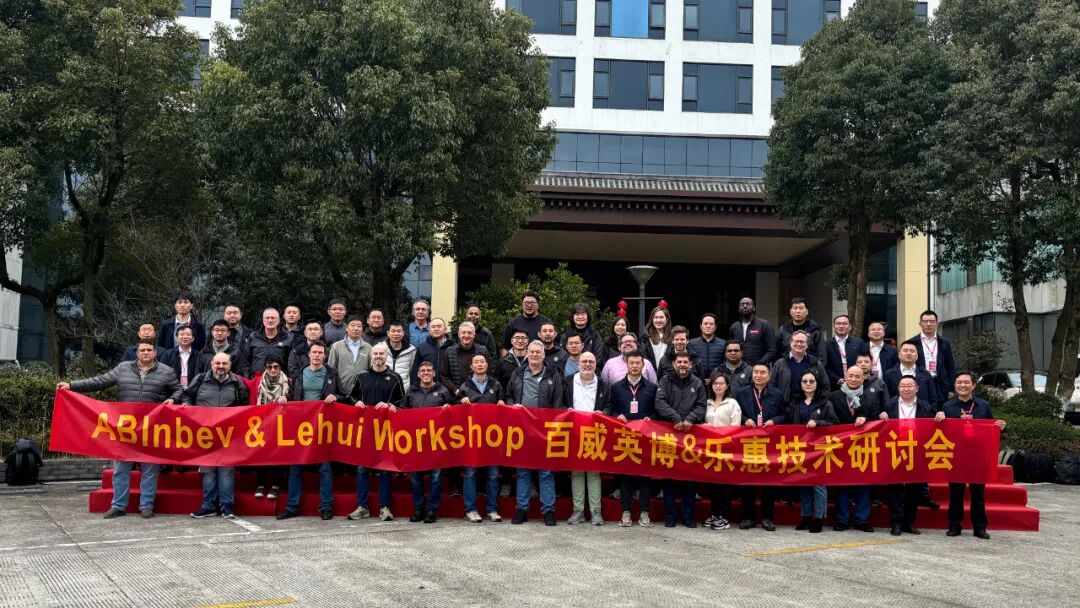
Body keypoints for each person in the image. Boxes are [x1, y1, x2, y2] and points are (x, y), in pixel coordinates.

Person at [57, 341, 181, 519]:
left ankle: (146, 505)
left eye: (149, 350)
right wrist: (72, 385)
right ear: (136, 353)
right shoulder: (123, 368)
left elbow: (178, 390)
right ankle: (118, 505)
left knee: (150, 470)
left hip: (151, 429)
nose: (145, 353)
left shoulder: (167, 371)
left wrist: (173, 399)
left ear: (155, 353)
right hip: (125, 429)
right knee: (121, 469)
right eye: (142, 350)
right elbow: (100, 381)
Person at [278, 341, 340, 520]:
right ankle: (292, 507)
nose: (317, 355)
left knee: (325, 468)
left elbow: (342, 394)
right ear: (309, 355)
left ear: (324, 355)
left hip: (322, 426)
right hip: (301, 427)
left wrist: (336, 396)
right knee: (295, 468)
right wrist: (284, 398)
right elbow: (292, 396)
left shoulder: (331, 373)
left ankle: (326, 507)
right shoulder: (299, 374)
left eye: (320, 353)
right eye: (314, 352)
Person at [942, 372, 1006, 539]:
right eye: (959, 382)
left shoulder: (983, 406)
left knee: (978, 495)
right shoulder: (947, 407)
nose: (962, 385)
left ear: (973, 386)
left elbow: (991, 427)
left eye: (966, 382)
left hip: (978, 455)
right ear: (955, 385)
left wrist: (1001, 427)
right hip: (956, 456)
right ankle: (954, 526)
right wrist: (939, 419)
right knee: (955, 494)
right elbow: (941, 432)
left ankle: (980, 528)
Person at [185, 353, 249, 519]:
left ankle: (227, 506)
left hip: (228, 436)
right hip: (205, 435)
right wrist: (186, 404)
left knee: (226, 471)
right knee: (208, 471)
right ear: (212, 364)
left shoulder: (237, 383)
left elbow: (245, 405)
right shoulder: (200, 379)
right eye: (218, 363)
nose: (221, 366)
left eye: (224, 363)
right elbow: (187, 396)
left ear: (230, 366)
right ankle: (208, 506)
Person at [506, 341, 564, 525]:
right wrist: (512, 406)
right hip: (522, 430)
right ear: (527, 354)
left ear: (543, 354)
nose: (534, 355)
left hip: (544, 431)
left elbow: (558, 403)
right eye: (531, 352)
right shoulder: (517, 373)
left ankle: (548, 510)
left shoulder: (553, 375)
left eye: (538, 352)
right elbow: (508, 396)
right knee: (523, 472)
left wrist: (553, 427)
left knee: (545, 472)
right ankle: (522, 509)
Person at [880, 375, 945, 536]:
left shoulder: (926, 407)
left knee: (914, 488)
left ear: (917, 388)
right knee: (895, 488)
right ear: (898, 388)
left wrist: (941, 415)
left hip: (917, 450)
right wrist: (880, 416)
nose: (906, 389)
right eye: (903, 386)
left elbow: (936, 426)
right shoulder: (889, 405)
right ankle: (896, 523)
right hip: (895, 450)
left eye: (910, 386)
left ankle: (908, 523)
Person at [347, 343, 405, 522]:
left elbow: (402, 402)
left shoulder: (395, 378)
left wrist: (390, 405)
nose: (378, 356)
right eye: (376, 353)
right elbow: (350, 397)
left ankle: (384, 507)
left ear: (386, 356)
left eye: (381, 353)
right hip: (364, 430)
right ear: (371, 356)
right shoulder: (361, 376)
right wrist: (356, 402)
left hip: (385, 431)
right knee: (362, 468)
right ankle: (362, 506)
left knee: (384, 469)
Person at [655, 352, 707, 528]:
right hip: (670, 433)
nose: (682, 364)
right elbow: (660, 402)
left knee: (690, 478)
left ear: (690, 364)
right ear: (674, 364)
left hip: (692, 435)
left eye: (685, 362)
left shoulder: (697, 382)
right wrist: (676, 418)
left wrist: (690, 419)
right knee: (669, 477)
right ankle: (670, 515)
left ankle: (688, 515)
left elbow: (702, 405)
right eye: (679, 362)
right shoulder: (665, 381)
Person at [607, 351, 657, 527]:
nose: (635, 366)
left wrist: (651, 418)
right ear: (626, 365)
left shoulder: (651, 387)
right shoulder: (616, 387)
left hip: (644, 438)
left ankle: (644, 512)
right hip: (624, 438)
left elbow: (656, 410)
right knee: (625, 476)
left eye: (638, 363)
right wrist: (617, 416)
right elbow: (611, 409)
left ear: (643, 365)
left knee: (644, 476)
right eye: (631, 363)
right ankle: (626, 512)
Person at [734, 364, 787, 530]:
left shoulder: (777, 394)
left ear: (769, 375)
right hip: (747, 442)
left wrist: (775, 421)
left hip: (768, 444)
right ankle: (748, 517)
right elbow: (735, 413)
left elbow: (785, 414)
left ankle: (767, 517)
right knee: (747, 480)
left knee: (768, 481)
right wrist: (744, 419)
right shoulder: (742, 393)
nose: (758, 375)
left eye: (762, 372)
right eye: (756, 372)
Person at [829, 365, 878, 532]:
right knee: (842, 484)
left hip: (862, 447)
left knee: (863, 484)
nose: (854, 379)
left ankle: (861, 520)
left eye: (858, 376)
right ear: (846, 376)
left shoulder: (870, 397)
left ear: (863, 378)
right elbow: (830, 419)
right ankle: (842, 519)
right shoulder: (833, 396)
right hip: (840, 447)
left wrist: (866, 418)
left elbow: (876, 419)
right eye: (851, 376)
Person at [403, 361, 453, 523]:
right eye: (423, 370)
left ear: (434, 373)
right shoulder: (411, 391)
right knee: (416, 477)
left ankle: (432, 509)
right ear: (418, 374)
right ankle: (419, 508)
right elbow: (402, 413)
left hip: (436, 442)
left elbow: (453, 415)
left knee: (436, 477)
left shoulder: (443, 391)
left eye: (429, 370)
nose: (426, 373)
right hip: (415, 442)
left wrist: (449, 408)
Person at [458, 353, 506, 523]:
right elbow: (456, 414)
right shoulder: (465, 386)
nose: (479, 364)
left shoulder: (496, 384)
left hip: (492, 437)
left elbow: (504, 402)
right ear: (471, 366)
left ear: (487, 365)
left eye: (482, 362)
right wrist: (461, 402)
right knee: (470, 474)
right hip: (472, 438)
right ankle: (470, 509)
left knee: (493, 474)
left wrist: (502, 403)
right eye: (476, 362)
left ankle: (492, 509)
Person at [563, 352, 609, 526]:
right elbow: (560, 403)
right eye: (584, 361)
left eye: (591, 361)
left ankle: (596, 511)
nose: (587, 364)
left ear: (596, 364)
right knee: (576, 471)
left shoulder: (603, 384)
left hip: (595, 432)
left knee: (594, 472)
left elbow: (609, 405)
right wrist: (566, 410)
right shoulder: (568, 382)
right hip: (574, 432)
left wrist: (603, 413)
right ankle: (578, 510)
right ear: (579, 364)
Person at [789, 371, 838, 533]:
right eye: (805, 381)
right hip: (801, 448)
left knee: (819, 484)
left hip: (819, 449)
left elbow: (834, 423)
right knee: (803, 483)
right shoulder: (795, 402)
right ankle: (806, 517)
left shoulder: (825, 403)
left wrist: (818, 423)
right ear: (800, 384)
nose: (808, 384)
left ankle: (818, 518)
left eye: (812, 381)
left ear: (817, 384)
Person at [703, 372, 740, 530]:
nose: (718, 386)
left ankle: (724, 517)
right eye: (715, 383)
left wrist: (718, 431)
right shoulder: (707, 403)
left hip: (726, 449)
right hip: (710, 450)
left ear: (727, 386)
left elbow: (736, 427)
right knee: (712, 484)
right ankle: (715, 514)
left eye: (721, 383)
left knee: (724, 485)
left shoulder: (732, 403)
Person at [253, 352, 289, 500]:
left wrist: (286, 398)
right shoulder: (258, 382)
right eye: (269, 367)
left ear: (280, 367)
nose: (273, 370)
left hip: (280, 424)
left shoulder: (288, 383)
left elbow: (294, 402)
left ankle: (275, 484)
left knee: (277, 453)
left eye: (276, 367)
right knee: (260, 453)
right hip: (261, 423)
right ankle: (260, 484)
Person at [770, 330, 828, 403]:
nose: (799, 344)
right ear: (790, 342)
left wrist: (817, 403)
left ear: (807, 345)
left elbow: (825, 387)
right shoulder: (779, 364)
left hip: (810, 406)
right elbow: (772, 387)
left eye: (802, 342)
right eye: (796, 341)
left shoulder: (816, 363)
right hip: (785, 406)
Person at [911, 310, 956, 404]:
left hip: (941, 384)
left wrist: (951, 389)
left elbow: (950, 366)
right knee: (923, 409)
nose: (928, 324)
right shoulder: (913, 343)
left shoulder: (944, 342)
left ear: (937, 323)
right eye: (925, 321)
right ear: (920, 324)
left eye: (931, 321)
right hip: (921, 383)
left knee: (940, 410)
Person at [440, 321, 490, 400]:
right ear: (459, 334)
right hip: (455, 398)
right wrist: (456, 390)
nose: (466, 335)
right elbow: (444, 376)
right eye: (463, 332)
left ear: (474, 335)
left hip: (478, 398)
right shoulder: (449, 352)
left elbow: (489, 374)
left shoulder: (483, 351)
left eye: (469, 333)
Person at [240, 308, 294, 378]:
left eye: (273, 318)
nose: (270, 320)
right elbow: (246, 360)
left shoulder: (288, 338)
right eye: (267, 318)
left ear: (278, 320)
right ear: (263, 320)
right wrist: (248, 378)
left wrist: (288, 379)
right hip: (257, 379)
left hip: (280, 380)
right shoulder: (253, 337)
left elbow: (292, 363)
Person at [326, 315, 371, 396]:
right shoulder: (336, 346)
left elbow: (371, 370)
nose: (356, 328)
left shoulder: (368, 348)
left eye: (359, 326)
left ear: (362, 329)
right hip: (341, 393)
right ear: (346, 328)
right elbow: (331, 370)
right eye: (353, 325)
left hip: (362, 393)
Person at [883, 341, 939, 405]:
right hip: (897, 410)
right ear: (899, 355)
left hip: (921, 410)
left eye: (912, 351)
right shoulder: (889, 374)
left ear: (917, 356)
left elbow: (933, 398)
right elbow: (886, 398)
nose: (908, 353)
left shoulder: (926, 374)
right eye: (905, 350)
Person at [500, 291, 552, 355]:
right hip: (518, 360)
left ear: (538, 305)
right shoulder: (513, 323)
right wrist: (506, 360)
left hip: (542, 360)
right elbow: (504, 347)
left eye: (532, 303)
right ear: (522, 305)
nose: (529, 305)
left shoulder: (546, 323)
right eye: (526, 303)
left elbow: (554, 345)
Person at [825, 315, 868, 391]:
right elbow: (825, 366)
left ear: (850, 327)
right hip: (835, 386)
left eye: (844, 324)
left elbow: (864, 362)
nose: (841, 326)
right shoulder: (826, 345)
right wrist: (837, 379)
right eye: (838, 324)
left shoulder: (859, 343)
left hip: (857, 384)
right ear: (833, 327)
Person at [729, 297, 777, 365]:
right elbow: (731, 347)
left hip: (759, 368)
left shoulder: (764, 325)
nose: (745, 306)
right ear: (739, 309)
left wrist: (760, 364)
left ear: (754, 308)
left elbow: (772, 350)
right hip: (738, 367)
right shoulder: (734, 327)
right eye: (742, 304)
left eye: (748, 304)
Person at [777, 297, 827, 361]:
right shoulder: (783, 330)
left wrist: (815, 367)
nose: (798, 311)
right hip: (787, 366)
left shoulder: (815, 330)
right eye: (795, 308)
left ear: (807, 311)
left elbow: (822, 356)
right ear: (790, 311)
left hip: (810, 366)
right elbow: (777, 354)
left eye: (801, 308)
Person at [411, 317, 452, 387]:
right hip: (427, 389)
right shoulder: (422, 347)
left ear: (445, 329)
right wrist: (414, 388)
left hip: (448, 389)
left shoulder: (453, 347)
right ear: (429, 330)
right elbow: (415, 371)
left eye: (439, 326)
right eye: (433, 327)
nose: (436, 329)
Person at [384, 320, 417, 392]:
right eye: (393, 331)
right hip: (384, 390)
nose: (396, 334)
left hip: (404, 391)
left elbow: (413, 372)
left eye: (399, 331)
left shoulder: (411, 350)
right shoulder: (380, 348)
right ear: (388, 333)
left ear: (403, 333)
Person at [642, 305, 673, 372]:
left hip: (667, 374)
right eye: (656, 317)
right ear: (652, 319)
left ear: (667, 319)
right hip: (650, 373)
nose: (658, 320)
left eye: (661, 317)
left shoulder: (673, 337)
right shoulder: (645, 338)